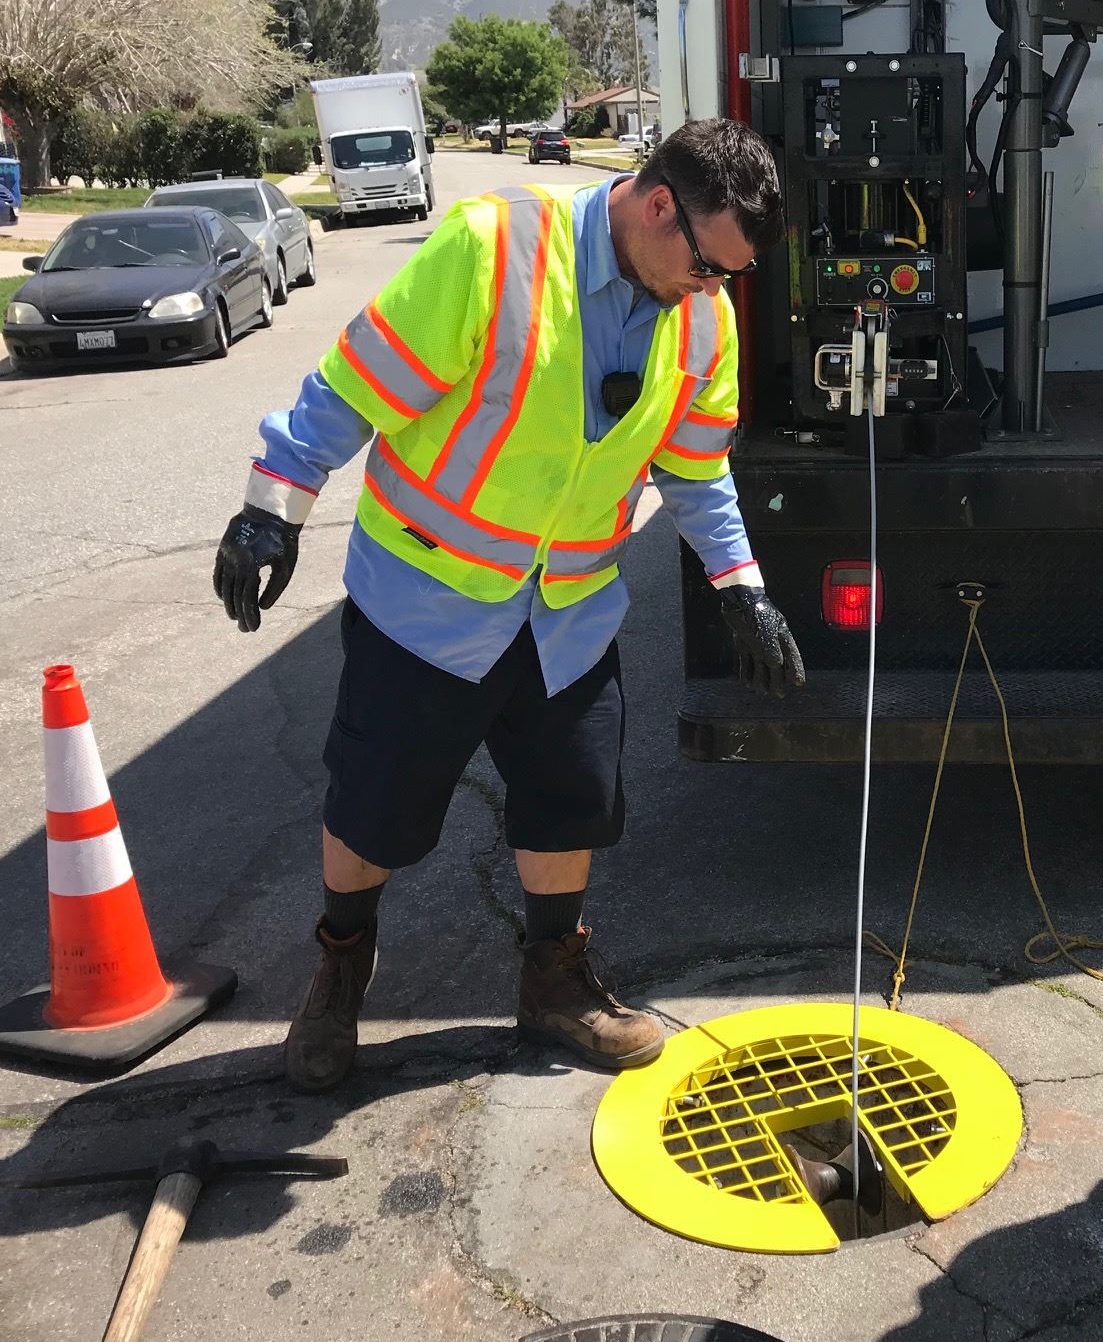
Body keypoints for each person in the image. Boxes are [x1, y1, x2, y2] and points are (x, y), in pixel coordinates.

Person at [212, 118, 807, 1092]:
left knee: (569, 802)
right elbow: (349, 392)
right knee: (372, 815)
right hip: (425, 606)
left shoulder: (705, 316)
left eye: (729, 277)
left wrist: (742, 589)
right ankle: (340, 971)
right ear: (658, 205)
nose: (716, 289)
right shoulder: (492, 251)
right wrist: (269, 511)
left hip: (566, 617)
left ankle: (555, 983)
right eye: (709, 266)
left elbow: (697, 471)